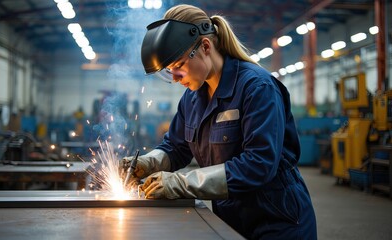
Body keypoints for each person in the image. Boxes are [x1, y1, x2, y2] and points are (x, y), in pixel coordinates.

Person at [121, 4, 317, 239]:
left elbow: (259, 164)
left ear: (205, 46)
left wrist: (181, 183)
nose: (174, 78)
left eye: (178, 67)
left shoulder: (257, 87)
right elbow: (176, 148)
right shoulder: (192, 98)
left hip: (276, 219)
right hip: (230, 218)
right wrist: (148, 162)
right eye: (169, 72)